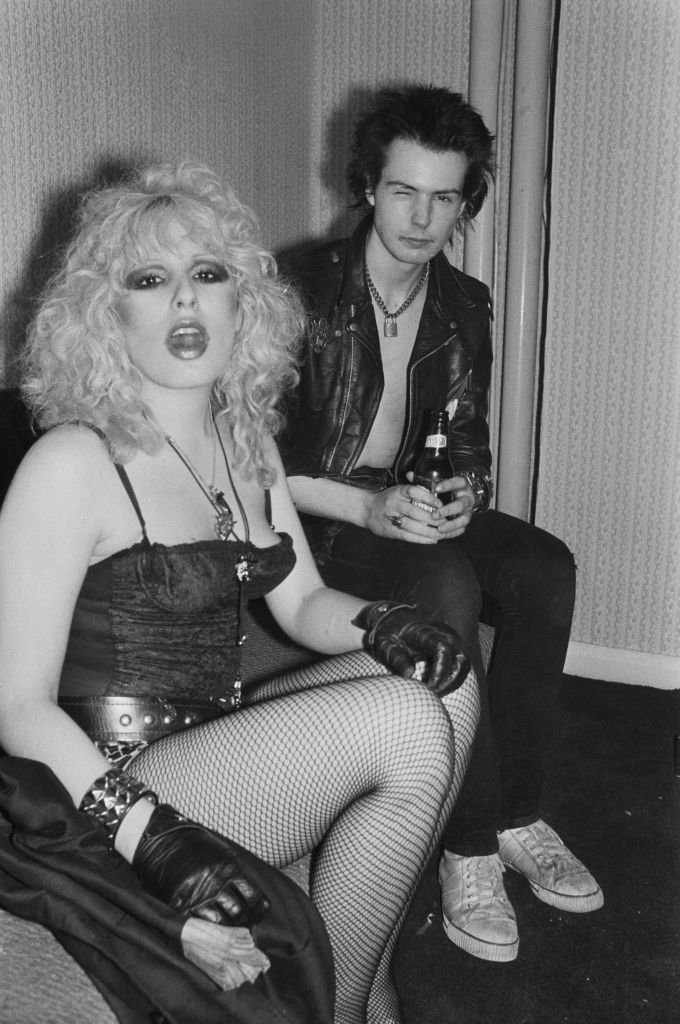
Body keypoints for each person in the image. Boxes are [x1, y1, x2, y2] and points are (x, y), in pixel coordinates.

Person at [0, 162, 482, 1024]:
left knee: (449, 688)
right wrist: (153, 834)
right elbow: (17, 706)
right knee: (403, 721)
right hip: (109, 784)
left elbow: (300, 606)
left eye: (207, 275)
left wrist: (384, 621)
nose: (185, 302)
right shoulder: (71, 461)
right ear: (106, 314)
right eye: (150, 281)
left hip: (213, 743)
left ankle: (364, 987)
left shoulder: (245, 439)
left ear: (243, 301)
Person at [279, 83, 603, 965]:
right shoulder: (293, 288)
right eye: (403, 191)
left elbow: (464, 444)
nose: (423, 218)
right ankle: (467, 847)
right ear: (366, 187)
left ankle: (520, 814)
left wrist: (458, 494)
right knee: (446, 583)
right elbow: (245, 460)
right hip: (317, 514)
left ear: (467, 202)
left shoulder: (465, 301)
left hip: (406, 505)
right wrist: (367, 506)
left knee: (543, 567)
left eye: (445, 196)